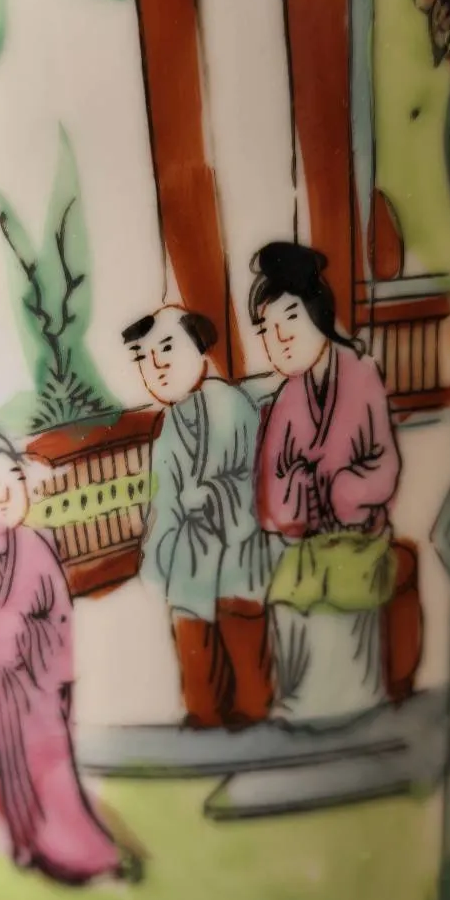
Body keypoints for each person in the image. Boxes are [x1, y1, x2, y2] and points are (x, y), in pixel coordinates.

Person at [0, 419, 140, 885]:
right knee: (9, 779)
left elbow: (60, 616)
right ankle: (27, 844)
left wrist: (55, 670)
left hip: (41, 685)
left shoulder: (36, 545)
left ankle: (80, 853)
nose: (6, 491)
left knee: (53, 774)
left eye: (14, 477)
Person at [250, 242, 420, 723]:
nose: (280, 338)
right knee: (289, 591)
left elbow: (385, 464)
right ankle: (302, 700)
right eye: (267, 329)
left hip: (360, 531)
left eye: (290, 319)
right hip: (311, 537)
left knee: (343, 584)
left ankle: (354, 697)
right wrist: (298, 495)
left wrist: (344, 488)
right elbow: (272, 486)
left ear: (317, 313)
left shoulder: (362, 374)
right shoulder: (288, 396)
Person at [122, 306, 276, 730]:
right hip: (191, 552)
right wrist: (157, 558)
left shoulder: (233, 405)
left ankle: (253, 704)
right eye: (145, 358)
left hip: (236, 542)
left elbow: (253, 475)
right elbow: (164, 503)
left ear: (200, 349)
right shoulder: (169, 428)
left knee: (240, 623)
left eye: (167, 348)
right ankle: (203, 708)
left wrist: (209, 495)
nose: (157, 365)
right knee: (192, 629)